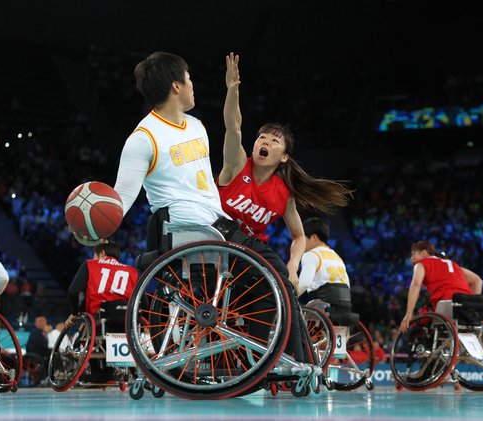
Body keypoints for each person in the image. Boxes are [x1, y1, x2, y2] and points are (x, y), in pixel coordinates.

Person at [100, 51, 307, 363]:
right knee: (276, 273)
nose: (192, 84)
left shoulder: (196, 126)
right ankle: (286, 360)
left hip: (217, 225)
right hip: (186, 227)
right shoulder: (143, 139)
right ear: (176, 87)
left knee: (267, 281)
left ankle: (258, 358)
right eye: (189, 78)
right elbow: (120, 200)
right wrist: (94, 229)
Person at [218, 53, 353, 289]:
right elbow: (233, 126)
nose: (265, 142)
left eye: (274, 141)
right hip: (217, 238)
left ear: (284, 157)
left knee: (279, 286)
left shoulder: (283, 193)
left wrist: (293, 264)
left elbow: (300, 237)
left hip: (248, 254)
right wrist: (232, 89)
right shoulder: (237, 163)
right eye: (262, 137)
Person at [399, 240, 483, 333]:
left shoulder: (422, 264)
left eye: (413, 254)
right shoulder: (453, 264)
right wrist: (472, 306)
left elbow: (415, 286)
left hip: (446, 304)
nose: (411, 259)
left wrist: (408, 314)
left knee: (416, 325)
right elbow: (478, 281)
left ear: (423, 253)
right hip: (466, 306)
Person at [64, 241, 139, 328]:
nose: (93, 259)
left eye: (94, 256)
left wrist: (74, 313)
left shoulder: (90, 265)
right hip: (126, 321)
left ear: (102, 253)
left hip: (98, 320)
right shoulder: (132, 271)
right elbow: (143, 300)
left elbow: (73, 291)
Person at [297, 218, 351, 307]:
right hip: (345, 306)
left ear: (314, 237)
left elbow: (304, 284)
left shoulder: (311, 254)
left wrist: (288, 297)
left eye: (304, 238)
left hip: (323, 306)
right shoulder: (337, 256)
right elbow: (347, 285)